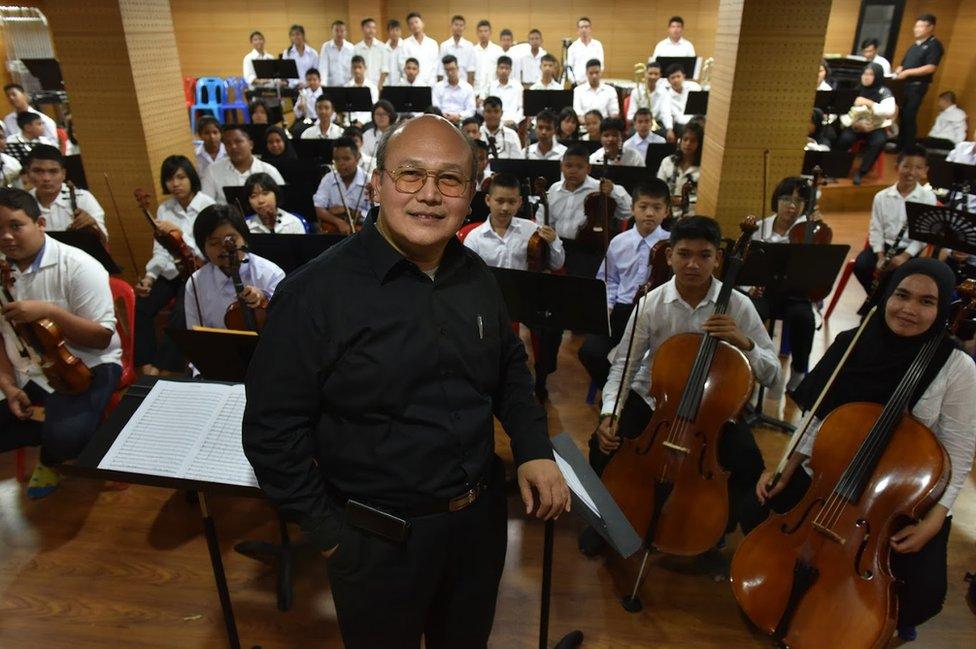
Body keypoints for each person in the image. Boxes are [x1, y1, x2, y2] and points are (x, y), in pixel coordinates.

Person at [242, 115, 569, 649]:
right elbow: (271, 433)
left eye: (449, 180)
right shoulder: (312, 296)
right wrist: (333, 541)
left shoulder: (475, 273)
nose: (429, 195)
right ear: (377, 184)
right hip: (376, 545)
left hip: (478, 528)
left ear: (471, 195)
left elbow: (509, 365)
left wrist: (533, 447)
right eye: (410, 175)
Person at [759, 258, 975, 642]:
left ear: (941, 310)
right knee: (760, 510)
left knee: (923, 594)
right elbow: (818, 416)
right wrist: (787, 465)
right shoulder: (852, 342)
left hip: (898, 492)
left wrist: (938, 516)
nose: (909, 309)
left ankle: (864, 616)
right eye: (902, 295)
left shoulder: (958, 368)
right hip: (833, 475)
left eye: (926, 302)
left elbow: (959, 448)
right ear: (885, 295)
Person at [582, 215, 777, 559]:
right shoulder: (651, 303)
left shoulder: (739, 305)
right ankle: (606, 521)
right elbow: (623, 366)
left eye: (704, 255)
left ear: (718, 258)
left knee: (747, 461)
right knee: (604, 445)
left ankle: (714, 527)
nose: (692, 264)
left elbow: (773, 374)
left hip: (713, 407)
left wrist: (744, 342)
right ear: (669, 255)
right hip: (656, 400)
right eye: (684, 254)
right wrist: (609, 413)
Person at [0, 187, 122, 499]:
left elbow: (101, 336)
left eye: (16, 226)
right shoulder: (4, 271)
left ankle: (57, 445)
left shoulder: (78, 265)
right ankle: (66, 430)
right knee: (60, 432)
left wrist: (50, 312)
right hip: (25, 370)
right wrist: (9, 387)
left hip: (84, 365)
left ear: (39, 223)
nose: (7, 237)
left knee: (68, 438)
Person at [464, 172, 565, 400]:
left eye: (511, 202)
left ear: (520, 202)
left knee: (550, 328)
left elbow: (556, 263)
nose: (505, 208)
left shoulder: (532, 229)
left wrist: (554, 241)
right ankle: (490, 378)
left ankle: (542, 376)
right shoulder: (475, 237)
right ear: (488, 200)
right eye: (499, 201)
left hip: (526, 298)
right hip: (489, 299)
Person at [578, 179, 671, 388]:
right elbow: (608, 279)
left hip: (655, 314)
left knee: (652, 361)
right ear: (632, 209)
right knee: (589, 352)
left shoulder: (671, 244)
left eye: (656, 208)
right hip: (621, 311)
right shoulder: (619, 242)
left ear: (666, 212)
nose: (649, 213)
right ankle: (615, 389)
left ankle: (633, 393)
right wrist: (609, 305)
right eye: (643, 207)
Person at [134, 155, 213, 376]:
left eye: (181, 177)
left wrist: (177, 233)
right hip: (173, 270)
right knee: (141, 305)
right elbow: (160, 250)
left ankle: (166, 367)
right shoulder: (164, 209)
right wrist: (149, 276)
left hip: (200, 270)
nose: (175, 184)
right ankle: (146, 364)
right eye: (169, 179)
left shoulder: (207, 205)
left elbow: (206, 249)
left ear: (191, 178)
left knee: (182, 310)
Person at [751, 176, 817, 392]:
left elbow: (816, 273)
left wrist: (816, 235)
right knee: (751, 314)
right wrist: (749, 286)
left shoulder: (809, 233)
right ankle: (751, 366)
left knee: (805, 318)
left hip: (794, 295)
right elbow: (746, 269)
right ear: (776, 201)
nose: (791, 206)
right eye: (786, 199)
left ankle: (799, 371)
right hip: (764, 293)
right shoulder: (759, 228)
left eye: (799, 201)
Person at [184, 204, 284, 330]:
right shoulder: (195, 282)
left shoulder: (271, 273)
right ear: (203, 248)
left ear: (244, 238)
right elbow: (195, 332)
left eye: (231, 239)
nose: (224, 248)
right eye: (214, 243)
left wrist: (264, 299)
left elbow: (284, 325)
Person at [853, 145, 936, 294]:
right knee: (861, 265)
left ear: (925, 171)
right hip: (885, 246)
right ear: (897, 166)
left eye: (918, 168)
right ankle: (878, 300)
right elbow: (876, 229)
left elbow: (923, 236)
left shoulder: (928, 198)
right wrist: (880, 256)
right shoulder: (881, 196)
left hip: (910, 250)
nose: (911, 172)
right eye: (906, 166)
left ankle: (880, 302)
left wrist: (904, 256)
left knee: (902, 276)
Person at [544, 144, 632, 277]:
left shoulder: (599, 188)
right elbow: (545, 219)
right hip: (558, 245)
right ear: (561, 166)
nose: (573, 171)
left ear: (588, 168)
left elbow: (628, 211)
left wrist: (613, 190)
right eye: (568, 166)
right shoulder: (554, 189)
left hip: (588, 249)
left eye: (579, 167)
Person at [25, 145, 107, 238]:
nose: (46, 178)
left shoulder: (83, 198)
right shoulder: (22, 203)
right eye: (38, 171)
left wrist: (93, 224)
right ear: (28, 173)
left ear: (64, 174)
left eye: (53, 171)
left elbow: (104, 241)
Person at [836, 62, 897, 185]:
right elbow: (843, 110)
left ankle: (862, 171)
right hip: (856, 125)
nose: (866, 77)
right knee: (845, 138)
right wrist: (856, 125)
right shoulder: (857, 89)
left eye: (870, 74)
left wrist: (869, 103)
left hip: (875, 126)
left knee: (879, 141)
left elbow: (889, 110)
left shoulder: (884, 91)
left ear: (878, 76)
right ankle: (838, 169)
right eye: (865, 73)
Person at [895, 14, 944, 152]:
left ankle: (909, 149)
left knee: (910, 115)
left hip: (917, 86)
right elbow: (904, 64)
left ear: (930, 27)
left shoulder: (934, 45)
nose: (916, 29)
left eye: (920, 26)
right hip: (904, 86)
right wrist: (900, 69)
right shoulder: (914, 45)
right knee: (902, 115)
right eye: (916, 26)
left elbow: (931, 67)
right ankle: (899, 146)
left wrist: (908, 72)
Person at [201, 125, 285, 204]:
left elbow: (283, 201)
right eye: (228, 143)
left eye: (238, 141)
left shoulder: (268, 171)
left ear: (251, 144)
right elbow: (206, 204)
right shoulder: (212, 171)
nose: (233, 146)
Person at [312, 137, 371, 234]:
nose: (341, 164)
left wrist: (351, 212)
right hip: (334, 230)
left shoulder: (368, 181)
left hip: (362, 231)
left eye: (346, 159)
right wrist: (339, 222)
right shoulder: (328, 178)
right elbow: (318, 208)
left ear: (357, 158)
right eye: (336, 159)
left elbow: (376, 213)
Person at [657, 120, 703, 208]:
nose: (688, 144)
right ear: (679, 141)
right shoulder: (667, 161)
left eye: (693, 141)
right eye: (685, 139)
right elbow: (658, 189)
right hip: (667, 210)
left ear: (699, 144)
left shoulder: (703, 168)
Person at [661, 64, 702, 140]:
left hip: (697, 120)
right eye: (673, 78)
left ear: (684, 76)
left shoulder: (694, 87)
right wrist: (669, 129)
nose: (676, 80)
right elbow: (666, 114)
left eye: (678, 76)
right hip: (681, 125)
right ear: (668, 81)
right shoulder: (666, 95)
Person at [432, 55, 476, 125]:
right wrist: (443, 115)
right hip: (441, 121)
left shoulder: (468, 88)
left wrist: (459, 116)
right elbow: (435, 106)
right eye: (447, 70)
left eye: (452, 69)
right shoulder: (437, 87)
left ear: (457, 68)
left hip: (461, 122)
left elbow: (471, 110)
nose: (450, 73)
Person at [402, 12, 440, 86]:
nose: (414, 25)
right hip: (412, 85)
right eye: (411, 24)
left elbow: (436, 66)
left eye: (416, 22)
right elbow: (403, 66)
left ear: (422, 24)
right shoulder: (405, 44)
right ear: (409, 27)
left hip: (430, 84)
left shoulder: (433, 43)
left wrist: (430, 82)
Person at [627, 62, 668, 130]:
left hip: (656, 122)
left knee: (664, 135)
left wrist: (669, 128)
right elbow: (631, 114)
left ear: (660, 75)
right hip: (639, 123)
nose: (653, 77)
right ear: (645, 74)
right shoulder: (636, 92)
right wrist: (636, 122)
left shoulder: (664, 92)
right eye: (650, 73)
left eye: (656, 74)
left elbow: (666, 113)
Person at [354, 17, 391, 89]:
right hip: (363, 86)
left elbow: (385, 69)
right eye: (368, 27)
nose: (371, 30)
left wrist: (379, 87)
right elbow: (355, 69)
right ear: (362, 28)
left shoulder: (382, 47)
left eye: (374, 28)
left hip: (379, 85)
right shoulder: (356, 48)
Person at [486, 56, 523, 125]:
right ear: (497, 69)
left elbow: (522, 108)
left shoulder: (518, 87)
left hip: (512, 122)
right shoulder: (491, 86)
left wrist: (514, 120)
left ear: (510, 70)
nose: (504, 71)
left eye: (507, 68)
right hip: (494, 121)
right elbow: (484, 106)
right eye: (501, 68)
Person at [566, 17, 604, 85]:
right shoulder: (572, 47)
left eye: (586, 27)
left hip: (594, 82)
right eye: (581, 27)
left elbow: (601, 65)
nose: (584, 29)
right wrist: (574, 82)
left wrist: (595, 78)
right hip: (578, 83)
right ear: (578, 30)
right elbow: (569, 67)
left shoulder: (597, 45)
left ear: (590, 29)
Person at [438, 15, 476, 83]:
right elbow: (440, 69)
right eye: (456, 25)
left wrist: (470, 87)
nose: (458, 27)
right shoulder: (444, 45)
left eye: (461, 25)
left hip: (464, 84)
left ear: (464, 27)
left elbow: (471, 69)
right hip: (447, 84)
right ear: (451, 26)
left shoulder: (469, 46)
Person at [472, 20, 504, 99]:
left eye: (485, 31)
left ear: (490, 32)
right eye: (480, 31)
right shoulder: (472, 51)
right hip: (476, 92)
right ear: (477, 33)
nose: (483, 34)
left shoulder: (498, 50)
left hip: (494, 92)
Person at [345, 55, 379, 126]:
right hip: (349, 122)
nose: (357, 70)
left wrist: (360, 122)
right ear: (351, 69)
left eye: (360, 67)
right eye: (354, 68)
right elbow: (345, 108)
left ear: (365, 68)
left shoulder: (372, 87)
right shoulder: (347, 87)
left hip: (368, 122)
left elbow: (373, 108)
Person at [283, 24, 320, 89]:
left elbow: (316, 73)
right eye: (292, 35)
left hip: (309, 88)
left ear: (303, 35)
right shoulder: (287, 53)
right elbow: (286, 73)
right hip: (292, 88)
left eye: (298, 34)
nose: (295, 37)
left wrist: (307, 84)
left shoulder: (313, 53)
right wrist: (296, 83)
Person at [320, 20, 355, 87]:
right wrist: (323, 83)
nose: (339, 34)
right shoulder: (326, 47)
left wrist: (352, 83)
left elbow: (353, 67)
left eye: (342, 31)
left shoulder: (351, 47)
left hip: (348, 85)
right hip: (331, 85)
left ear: (345, 32)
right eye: (336, 31)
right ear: (332, 32)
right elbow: (323, 66)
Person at [385, 19, 407, 87]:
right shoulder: (383, 49)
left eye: (397, 30)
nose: (394, 32)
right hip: (386, 85)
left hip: (403, 85)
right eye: (392, 30)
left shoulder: (405, 47)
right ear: (388, 32)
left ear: (400, 32)